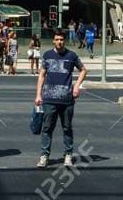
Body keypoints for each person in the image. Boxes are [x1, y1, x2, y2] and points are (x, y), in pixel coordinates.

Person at [35, 28, 87, 169]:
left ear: (65, 40)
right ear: (53, 40)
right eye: (57, 39)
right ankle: (44, 156)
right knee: (47, 128)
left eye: (61, 39)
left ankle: (68, 155)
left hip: (67, 99)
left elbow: (83, 70)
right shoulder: (47, 55)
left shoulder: (71, 56)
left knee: (67, 127)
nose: (59, 42)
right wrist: (38, 95)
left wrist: (76, 86)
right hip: (49, 99)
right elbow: (41, 75)